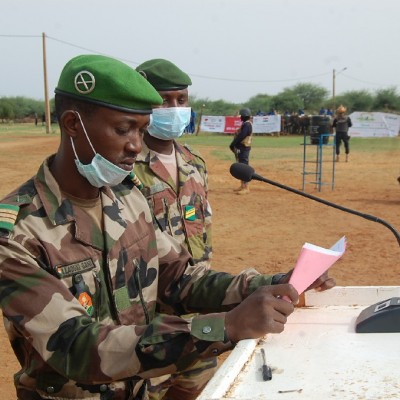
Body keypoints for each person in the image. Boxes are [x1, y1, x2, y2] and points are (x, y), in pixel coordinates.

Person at [0, 54, 335, 400]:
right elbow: (76, 346)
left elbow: (180, 278)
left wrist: (273, 284)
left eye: (141, 130)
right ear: (73, 123)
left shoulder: (127, 198)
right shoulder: (17, 234)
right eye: (123, 129)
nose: (135, 145)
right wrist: (225, 326)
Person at [134, 58, 214, 400]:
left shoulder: (195, 163)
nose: (175, 108)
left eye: (181, 99)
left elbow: (202, 231)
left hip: (197, 305)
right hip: (149, 314)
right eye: (164, 100)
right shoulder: (125, 166)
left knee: (196, 384)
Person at [229, 107, 253, 195]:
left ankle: (246, 187)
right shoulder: (246, 124)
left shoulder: (247, 125)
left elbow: (241, 136)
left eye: (241, 116)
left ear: (244, 116)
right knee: (241, 165)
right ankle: (242, 185)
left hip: (244, 148)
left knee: (244, 167)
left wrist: (233, 143)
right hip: (242, 147)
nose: (240, 117)